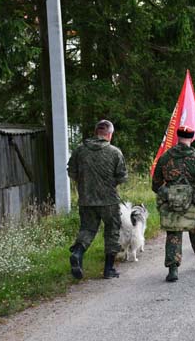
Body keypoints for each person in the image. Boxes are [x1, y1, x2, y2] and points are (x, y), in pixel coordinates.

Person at [152, 125, 195, 282]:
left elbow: (155, 184)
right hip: (193, 200)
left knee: (173, 232)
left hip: (172, 200)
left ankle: (173, 268)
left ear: (178, 137)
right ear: (192, 138)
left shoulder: (165, 157)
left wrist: (169, 191)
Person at [68, 120, 127, 280]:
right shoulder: (115, 152)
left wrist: (85, 183)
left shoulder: (80, 150)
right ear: (109, 134)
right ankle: (108, 269)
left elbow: (71, 172)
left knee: (87, 229)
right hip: (109, 201)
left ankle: (77, 254)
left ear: (96, 132)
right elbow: (122, 177)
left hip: (86, 200)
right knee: (112, 231)